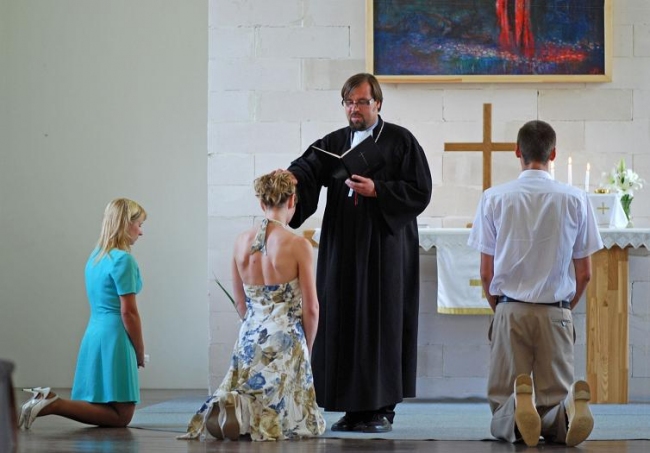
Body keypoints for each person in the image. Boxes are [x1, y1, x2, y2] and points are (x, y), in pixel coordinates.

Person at [285, 73, 432, 433]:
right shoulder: (335, 142)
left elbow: (420, 190)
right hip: (343, 246)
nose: (355, 109)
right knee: (342, 318)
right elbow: (308, 167)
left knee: (381, 322)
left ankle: (381, 409)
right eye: (349, 102)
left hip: (384, 248)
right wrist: (291, 178)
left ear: (377, 104)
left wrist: (378, 189)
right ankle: (352, 408)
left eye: (362, 102)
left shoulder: (400, 141)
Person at [467, 120, 603, 447]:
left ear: (518, 152)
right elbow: (585, 273)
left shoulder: (494, 198)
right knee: (555, 396)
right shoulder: (575, 198)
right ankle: (565, 413)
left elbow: (486, 272)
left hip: (511, 309)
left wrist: (500, 309)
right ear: (553, 154)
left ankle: (516, 409)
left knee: (502, 399)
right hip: (555, 309)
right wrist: (564, 309)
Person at [179, 171, 325, 442]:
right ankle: (250, 411)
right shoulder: (297, 245)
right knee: (296, 419)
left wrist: (254, 327)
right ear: (292, 200)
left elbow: (239, 300)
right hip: (285, 336)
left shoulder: (240, 242)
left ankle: (238, 404)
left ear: (261, 203)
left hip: (250, 334)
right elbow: (312, 307)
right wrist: (307, 346)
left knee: (251, 384)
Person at [18, 198, 147, 429]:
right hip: (115, 337)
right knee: (122, 416)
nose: (141, 232)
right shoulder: (124, 260)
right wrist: (139, 350)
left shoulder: (96, 257)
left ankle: (50, 402)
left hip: (94, 333)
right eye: (139, 224)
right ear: (126, 223)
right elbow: (129, 312)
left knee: (105, 407)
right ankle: (52, 403)